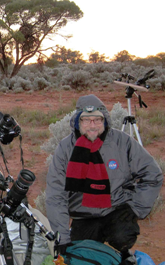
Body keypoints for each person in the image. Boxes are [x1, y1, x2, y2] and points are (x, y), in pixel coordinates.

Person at [45, 94, 163, 256]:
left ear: (105, 120)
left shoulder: (122, 142)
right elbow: (55, 195)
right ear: (77, 122)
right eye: (86, 120)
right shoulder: (65, 148)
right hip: (83, 215)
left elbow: (152, 174)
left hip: (115, 209)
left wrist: (135, 208)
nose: (92, 125)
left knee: (122, 237)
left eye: (97, 119)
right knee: (77, 255)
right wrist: (62, 238)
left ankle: (122, 258)